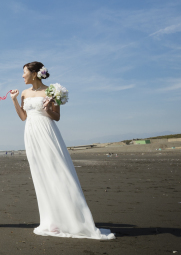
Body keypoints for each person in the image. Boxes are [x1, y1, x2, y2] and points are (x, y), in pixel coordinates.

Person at [10, 62, 114, 240]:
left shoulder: (51, 91)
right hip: (31, 134)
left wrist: (48, 108)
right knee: (40, 175)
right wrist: (14, 100)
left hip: (47, 132)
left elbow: (56, 117)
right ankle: (52, 220)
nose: (22, 76)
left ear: (34, 74)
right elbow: (23, 117)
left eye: (24, 72)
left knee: (58, 171)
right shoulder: (25, 93)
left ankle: (72, 218)